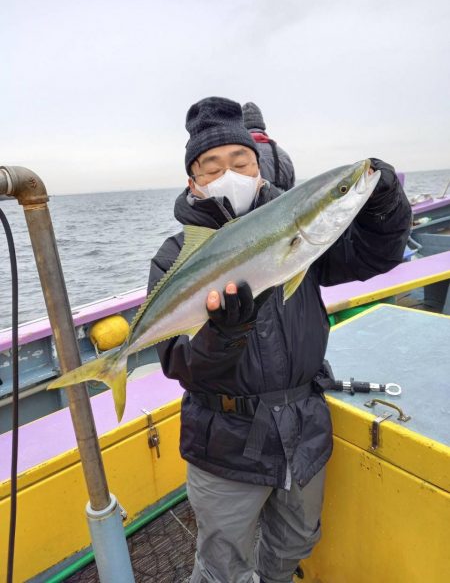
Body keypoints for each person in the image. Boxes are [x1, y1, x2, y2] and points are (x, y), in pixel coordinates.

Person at [148, 96, 412, 583]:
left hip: (302, 428)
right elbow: (181, 365)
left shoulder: (302, 234)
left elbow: (375, 255)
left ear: (260, 167)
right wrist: (224, 334)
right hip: (224, 442)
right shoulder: (173, 259)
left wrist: (384, 203)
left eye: (240, 161)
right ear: (193, 180)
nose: (229, 172)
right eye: (211, 166)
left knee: (295, 541)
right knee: (223, 565)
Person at [242, 101, 296, 191]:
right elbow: (292, 193)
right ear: (262, 125)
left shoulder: (233, 159)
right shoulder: (284, 156)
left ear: (241, 127)